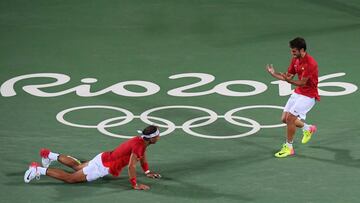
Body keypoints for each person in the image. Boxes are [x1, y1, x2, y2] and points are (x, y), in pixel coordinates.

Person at [24, 125, 162, 190]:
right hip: (101, 167)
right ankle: (37, 170)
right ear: (151, 138)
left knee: (78, 166)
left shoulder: (140, 141)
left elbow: (142, 156)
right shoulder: (140, 146)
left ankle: (48, 155)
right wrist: (135, 184)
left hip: (103, 157)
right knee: (70, 179)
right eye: (157, 135)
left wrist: (147, 171)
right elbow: (132, 166)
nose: (159, 137)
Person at [266, 37, 319, 158]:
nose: (292, 53)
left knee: (290, 119)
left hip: (309, 95)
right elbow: (288, 76)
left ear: (302, 50)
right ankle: (308, 128)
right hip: (298, 92)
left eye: (294, 51)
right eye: (291, 51)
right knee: (285, 119)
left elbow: (302, 82)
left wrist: (288, 80)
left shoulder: (310, 63)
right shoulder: (295, 60)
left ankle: (289, 147)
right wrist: (273, 73)